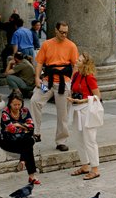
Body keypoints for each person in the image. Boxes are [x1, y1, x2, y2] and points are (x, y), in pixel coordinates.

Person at [32, 21, 80, 151]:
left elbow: (76, 64)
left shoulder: (71, 46)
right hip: (47, 83)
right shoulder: (47, 44)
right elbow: (40, 62)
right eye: (62, 32)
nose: (64, 34)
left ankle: (61, 141)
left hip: (63, 84)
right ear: (56, 31)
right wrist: (37, 78)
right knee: (35, 100)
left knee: (63, 113)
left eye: (66, 32)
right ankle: (36, 132)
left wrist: (72, 81)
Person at [69, 53, 103, 179]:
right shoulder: (77, 74)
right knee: (78, 139)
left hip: (87, 110)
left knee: (90, 140)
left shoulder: (89, 77)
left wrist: (82, 101)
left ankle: (95, 169)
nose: (76, 61)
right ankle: (85, 165)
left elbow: (97, 96)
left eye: (79, 60)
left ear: (85, 63)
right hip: (77, 110)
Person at [0, 93, 39, 186]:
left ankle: (31, 174)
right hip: (8, 140)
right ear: (10, 104)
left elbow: (31, 126)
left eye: (19, 104)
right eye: (14, 105)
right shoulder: (5, 113)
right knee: (29, 142)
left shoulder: (24, 111)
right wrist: (24, 127)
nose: (17, 107)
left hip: (22, 139)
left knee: (29, 141)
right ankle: (29, 171)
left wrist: (18, 124)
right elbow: (12, 129)